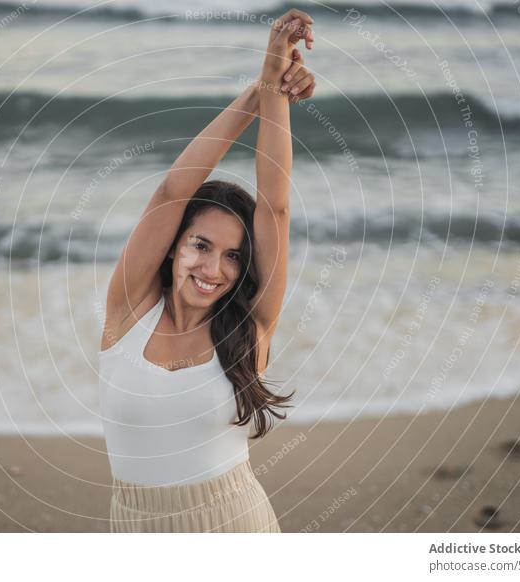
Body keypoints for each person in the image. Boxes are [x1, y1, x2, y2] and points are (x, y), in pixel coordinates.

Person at [98, 8, 316, 533]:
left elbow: (275, 208)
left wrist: (274, 93)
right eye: (200, 245)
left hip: (236, 525)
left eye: (233, 255)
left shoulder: (249, 328)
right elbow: (174, 190)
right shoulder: (128, 312)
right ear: (173, 247)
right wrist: (265, 85)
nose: (212, 268)